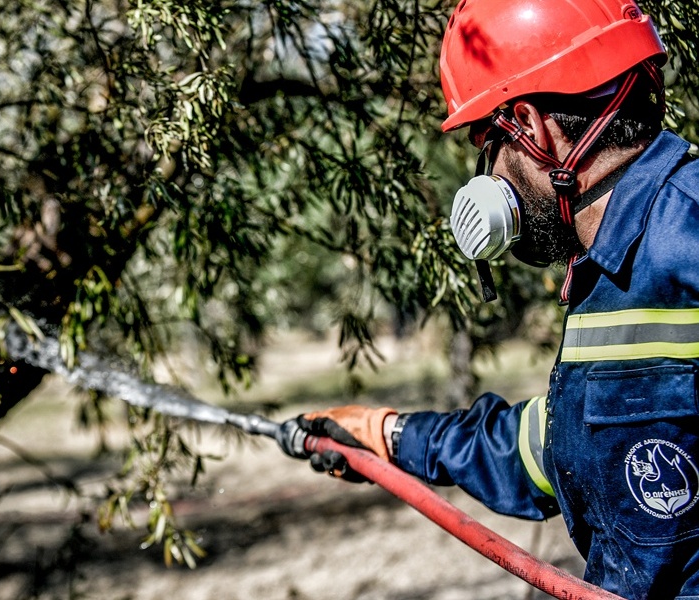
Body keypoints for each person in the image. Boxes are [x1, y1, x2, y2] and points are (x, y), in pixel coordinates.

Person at [288, 1, 699, 598]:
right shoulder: (606, 270)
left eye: (486, 143)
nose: (487, 176)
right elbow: (559, 448)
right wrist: (392, 436)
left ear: (529, 126)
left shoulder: (687, 235)